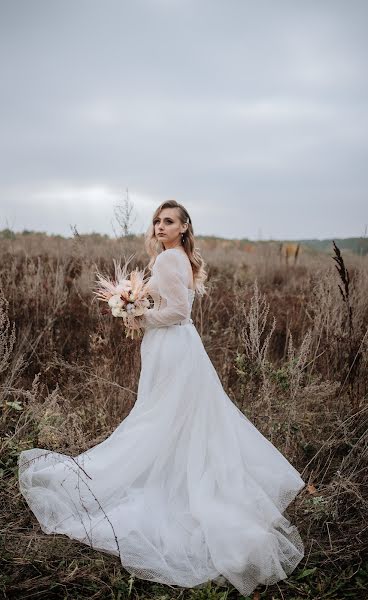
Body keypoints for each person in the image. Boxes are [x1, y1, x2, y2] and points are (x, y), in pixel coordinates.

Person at [18, 200, 306, 596]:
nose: (160, 225)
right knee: (173, 420)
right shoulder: (179, 258)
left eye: (169, 221)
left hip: (172, 345)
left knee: (157, 419)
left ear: (185, 227)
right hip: (179, 348)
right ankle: (176, 477)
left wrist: (136, 314)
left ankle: (153, 482)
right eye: (156, 220)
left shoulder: (171, 260)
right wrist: (136, 307)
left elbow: (176, 313)